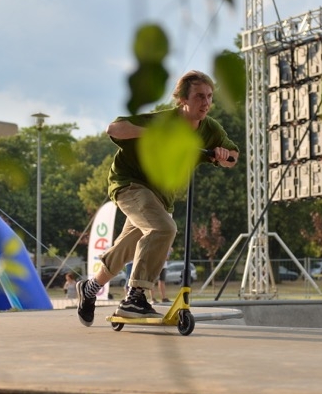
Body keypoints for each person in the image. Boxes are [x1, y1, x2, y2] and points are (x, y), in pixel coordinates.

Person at [76, 70, 239, 326]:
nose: (205, 102)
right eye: (199, 96)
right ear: (183, 99)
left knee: (127, 247)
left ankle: (90, 287)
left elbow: (233, 156)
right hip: (130, 185)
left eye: (209, 97)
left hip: (160, 198)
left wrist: (222, 154)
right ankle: (135, 297)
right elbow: (114, 128)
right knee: (163, 228)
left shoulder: (210, 129)